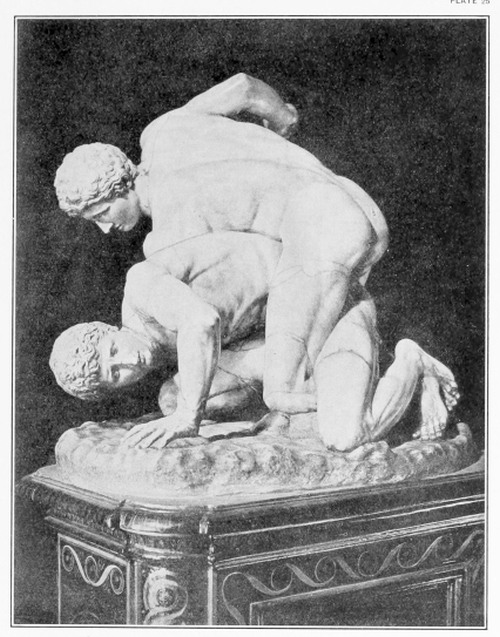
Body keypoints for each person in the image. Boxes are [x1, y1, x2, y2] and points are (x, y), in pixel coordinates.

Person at [53, 74, 403, 448]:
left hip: (326, 230)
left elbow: (215, 312)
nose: (105, 228)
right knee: (289, 362)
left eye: (102, 213)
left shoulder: (173, 235)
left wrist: (188, 414)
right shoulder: (163, 131)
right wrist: (282, 120)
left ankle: (396, 384)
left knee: (286, 389)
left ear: (118, 186)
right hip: (351, 196)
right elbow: (244, 87)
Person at [50, 232, 459, 450]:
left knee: (345, 435)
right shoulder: (159, 354)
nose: (129, 362)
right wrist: (182, 409)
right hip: (287, 340)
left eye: (113, 351)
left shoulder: (142, 289)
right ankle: (322, 399)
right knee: (172, 397)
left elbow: (202, 321)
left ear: (106, 328)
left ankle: (411, 362)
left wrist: (188, 417)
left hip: (330, 303)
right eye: (115, 375)